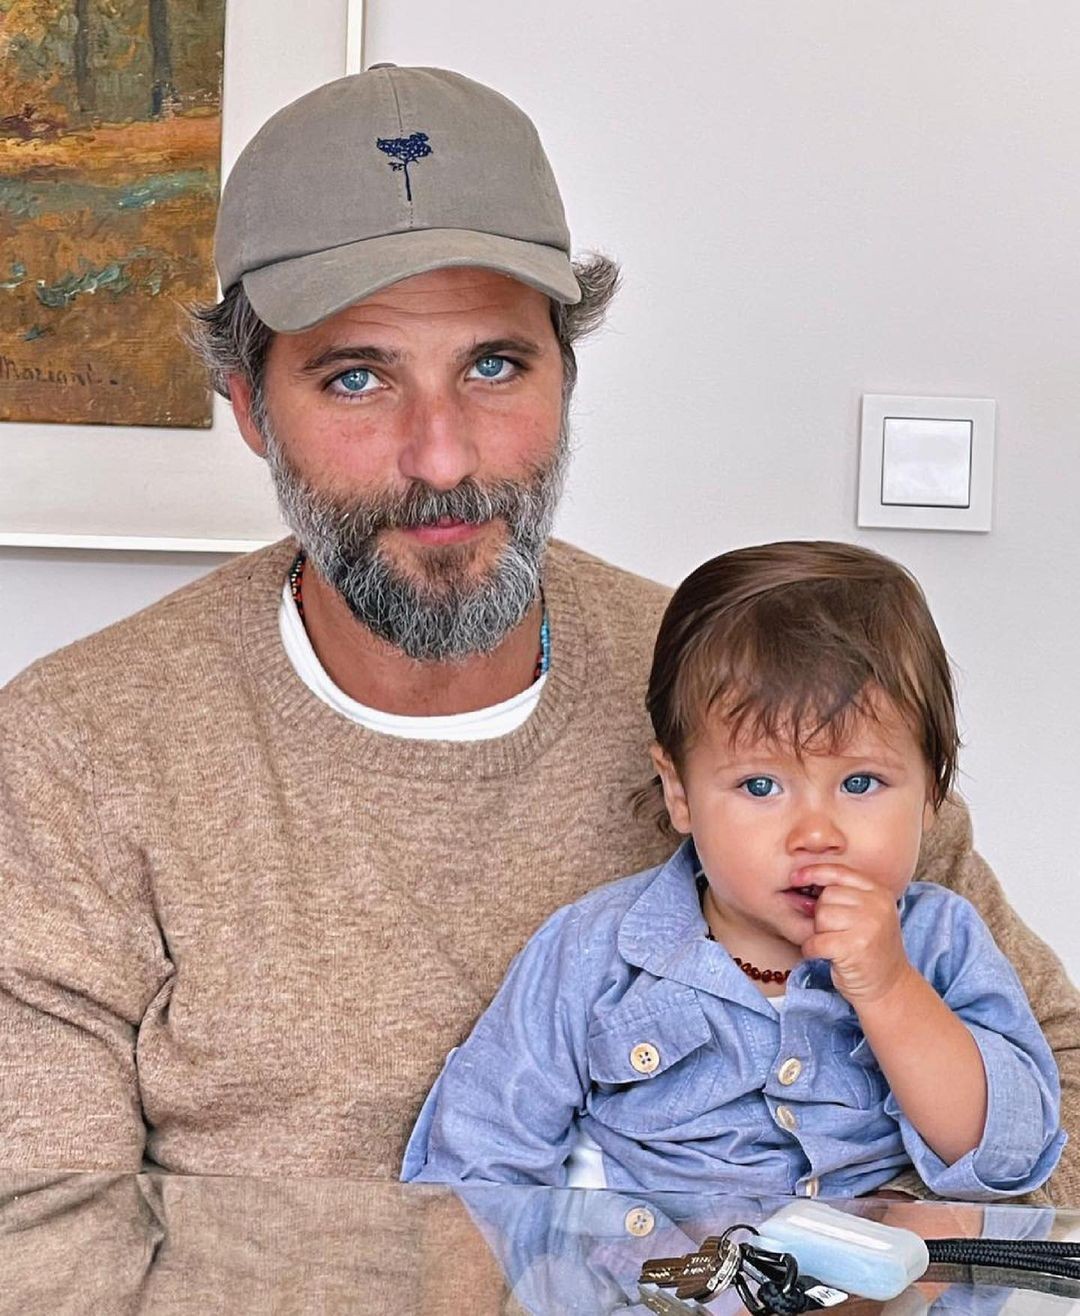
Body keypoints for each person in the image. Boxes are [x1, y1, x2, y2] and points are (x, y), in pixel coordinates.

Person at [0, 66, 1076, 1200]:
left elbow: (1055, 1097)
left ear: (567, 370)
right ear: (250, 408)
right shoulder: (77, 751)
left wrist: (847, 1256)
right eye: (357, 377)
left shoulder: (762, 688)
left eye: (495, 365)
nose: (442, 456)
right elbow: (37, 1225)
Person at [403, 542, 1065, 1199]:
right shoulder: (594, 954)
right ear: (680, 793)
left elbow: (1008, 1154)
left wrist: (891, 990)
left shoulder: (942, 944)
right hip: (645, 1264)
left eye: (860, 782)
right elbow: (476, 1160)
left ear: (931, 795)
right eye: (760, 786)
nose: (817, 835)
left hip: (871, 1266)